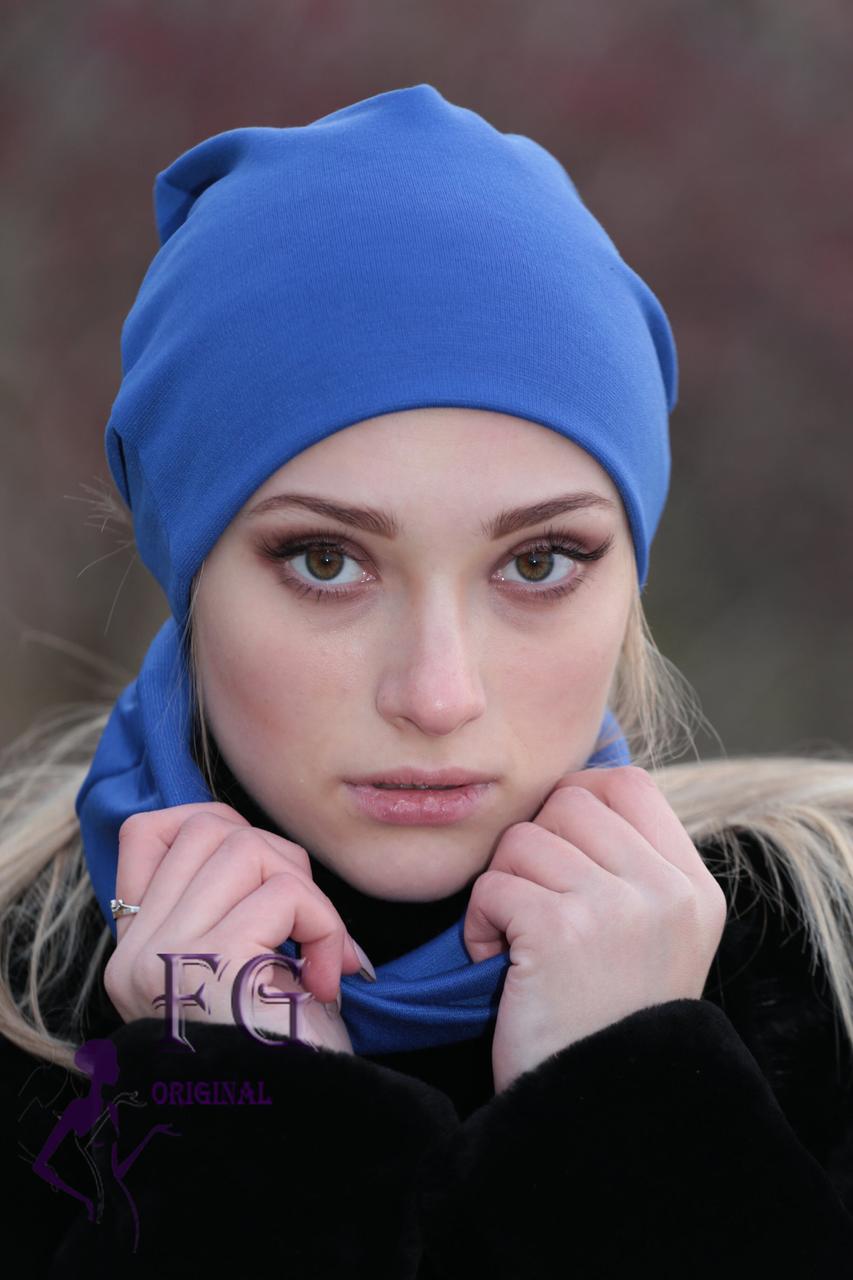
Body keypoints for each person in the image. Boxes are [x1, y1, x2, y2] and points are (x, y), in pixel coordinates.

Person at [2, 83, 852, 1277]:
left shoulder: (826, 963)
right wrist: (242, 1114)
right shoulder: (23, 1001)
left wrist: (636, 1092)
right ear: (187, 564)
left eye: (538, 561)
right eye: (326, 559)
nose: (438, 694)